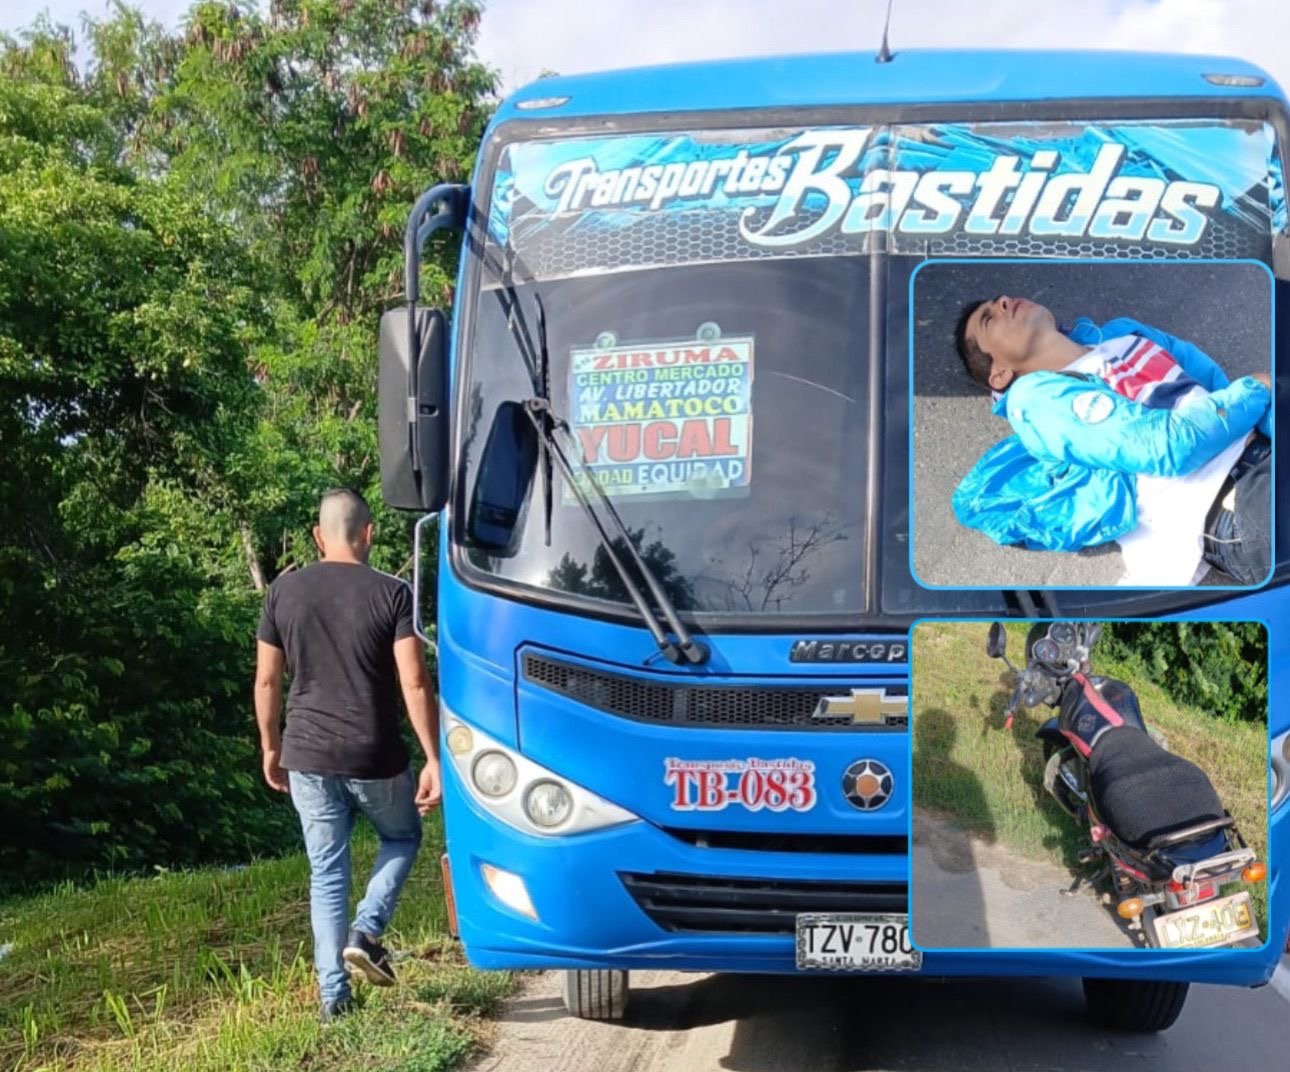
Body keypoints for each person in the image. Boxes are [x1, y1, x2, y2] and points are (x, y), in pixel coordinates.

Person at [254, 487, 442, 1022]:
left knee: (327, 872)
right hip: (374, 753)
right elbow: (414, 681)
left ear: (318, 536)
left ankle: (333, 999)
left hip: (306, 752)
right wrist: (433, 757)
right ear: (369, 534)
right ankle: (366, 931)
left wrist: (270, 746)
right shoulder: (394, 593)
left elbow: (267, 681)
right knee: (402, 836)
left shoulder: (282, 592)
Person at [951, 295, 1272, 586]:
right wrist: (1257, 389)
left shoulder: (1123, 336)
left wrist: (1266, 411)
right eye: (989, 319)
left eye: (1000, 299)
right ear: (1000, 374)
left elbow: (1216, 387)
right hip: (1229, 500)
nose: (1004, 302)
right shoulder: (1037, 402)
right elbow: (1165, 447)